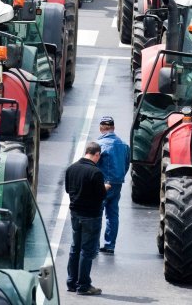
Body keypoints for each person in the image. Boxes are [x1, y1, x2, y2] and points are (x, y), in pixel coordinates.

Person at [66, 141, 108, 296]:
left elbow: (68, 189)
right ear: (96, 154)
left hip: (75, 214)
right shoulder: (95, 173)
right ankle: (83, 285)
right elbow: (101, 195)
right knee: (87, 250)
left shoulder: (71, 169)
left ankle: (71, 282)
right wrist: (105, 187)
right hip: (91, 215)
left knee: (75, 248)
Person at [96, 116, 130, 255]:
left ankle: (94, 244)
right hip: (117, 183)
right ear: (113, 128)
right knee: (113, 215)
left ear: (101, 128)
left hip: (103, 184)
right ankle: (110, 245)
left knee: (97, 214)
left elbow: (94, 165)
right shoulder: (124, 145)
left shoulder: (99, 145)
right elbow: (127, 165)